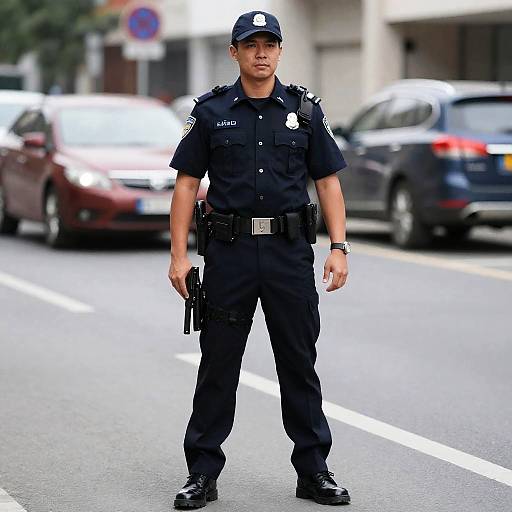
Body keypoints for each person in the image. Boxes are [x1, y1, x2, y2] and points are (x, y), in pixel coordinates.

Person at [168, 10, 352, 509]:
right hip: (229, 256)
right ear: (235, 52)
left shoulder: (304, 111)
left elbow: (328, 182)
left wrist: (338, 246)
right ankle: (202, 473)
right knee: (219, 365)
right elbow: (187, 184)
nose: (261, 51)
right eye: (251, 44)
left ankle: (313, 471)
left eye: (270, 43)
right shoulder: (210, 113)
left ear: (280, 49)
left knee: (299, 362)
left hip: (290, 255)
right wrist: (179, 256)